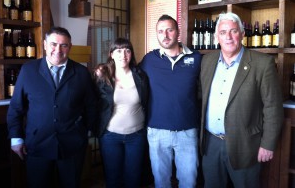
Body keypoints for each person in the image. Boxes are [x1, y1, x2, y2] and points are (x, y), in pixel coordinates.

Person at [200, 12, 284, 188]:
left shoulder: (263, 64)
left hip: (246, 145)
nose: (228, 37)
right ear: (216, 37)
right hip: (211, 144)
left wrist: (268, 145)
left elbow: (273, 108)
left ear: (242, 34)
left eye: (233, 31)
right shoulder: (207, 61)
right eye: (223, 32)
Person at [6, 26, 98, 188]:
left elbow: (91, 105)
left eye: (64, 45)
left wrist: (86, 131)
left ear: (70, 47)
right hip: (36, 144)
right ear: (45, 45)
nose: (58, 49)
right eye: (54, 44)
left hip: (72, 145)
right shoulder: (28, 70)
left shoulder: (82, 72)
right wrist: (16, 138)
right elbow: (16, 108)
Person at [140, 14, 202, 187]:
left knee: (189, 181)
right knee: (161, 181)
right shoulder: (149, 60)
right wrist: (104, 70)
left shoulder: (197, 59)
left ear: (178, 32)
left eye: (169, 30)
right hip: (157, 131)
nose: (165, 35)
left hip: (187, 131)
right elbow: (128, 74)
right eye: (160, 31)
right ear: (157, 34)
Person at [94, 38, 149, 188]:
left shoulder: (140, 75)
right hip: (110, 136)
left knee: (134, 178)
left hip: (136, 136)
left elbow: (148, 101)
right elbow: (94, 103)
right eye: (118, 51)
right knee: (113, 179)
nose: (123, 54)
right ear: (111, 54)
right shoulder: (102, 76)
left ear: (131, 54)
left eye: (127, 50)